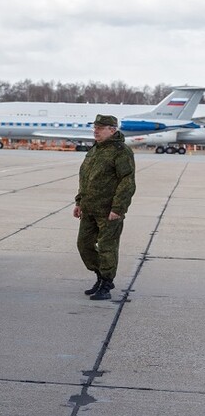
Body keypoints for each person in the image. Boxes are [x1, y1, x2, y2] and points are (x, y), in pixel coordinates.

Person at [74, 114, 136, 301]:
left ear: (112, 130)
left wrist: (118, 208)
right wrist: (79, 202)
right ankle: (100, 276)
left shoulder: (121, 151)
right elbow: (85, 179)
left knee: (107, 248)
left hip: (109, 211)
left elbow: (127, 182)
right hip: (89, 208)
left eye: (100, 128)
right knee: (84, 245)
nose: (96, 131)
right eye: (95, 128)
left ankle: (107, 284)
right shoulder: (95, 150)